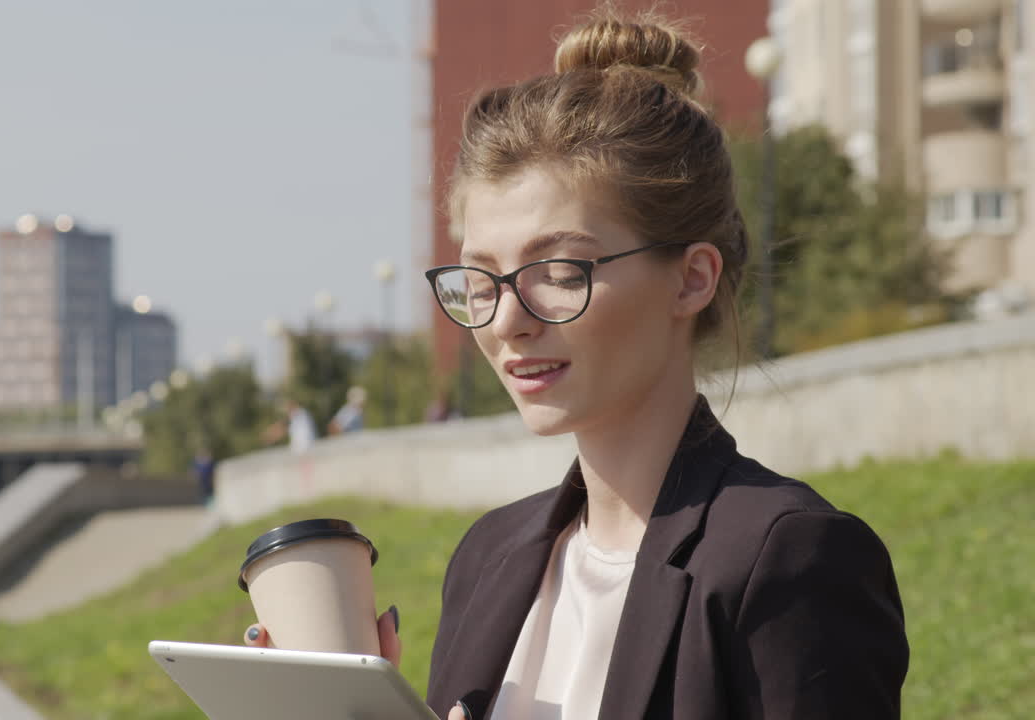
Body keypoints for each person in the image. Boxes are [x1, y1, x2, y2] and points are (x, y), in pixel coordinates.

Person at [246, 6, 908, 720]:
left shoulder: (789, 558)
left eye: (559, 272)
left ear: (692, 278)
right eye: (478, 281)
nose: (507, 321)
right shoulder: (488, 558)